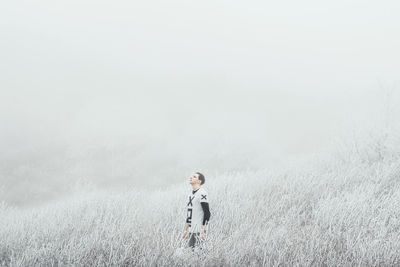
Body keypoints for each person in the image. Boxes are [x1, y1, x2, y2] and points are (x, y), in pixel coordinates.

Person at [182, 172, 211, 251]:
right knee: (191, 254)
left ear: (199, 181)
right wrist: (185, 230)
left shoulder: (202, 193)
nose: (191, 177)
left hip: (199, 230)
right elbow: (189, 214)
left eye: (194, 177)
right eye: (191, 176)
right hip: (191, 230)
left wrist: (203, 230)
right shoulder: (190, 195)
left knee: (199, 253)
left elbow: (207, 212)